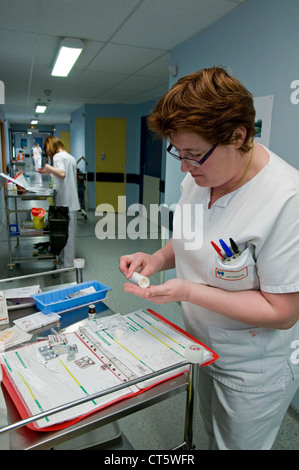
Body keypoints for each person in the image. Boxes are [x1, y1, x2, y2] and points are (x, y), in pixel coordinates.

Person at [119, 67, 299, 450]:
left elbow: (282, 312)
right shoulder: (198, 177)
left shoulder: (287, 199)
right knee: (211, 433)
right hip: (199, 346)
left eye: (195, 154)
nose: (184, 166)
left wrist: (188, 290)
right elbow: (184, 239)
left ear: (239, 136)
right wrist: (154, 258)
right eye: (178, 152)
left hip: (252, 369)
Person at [38, 136, 80, 267]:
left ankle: (67, 265)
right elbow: (64, 177)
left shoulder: (57, 157)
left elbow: (62, 174)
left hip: (65, 201)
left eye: (47, 150)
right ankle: (67, 262)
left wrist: (47, 166)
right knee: (70, 233)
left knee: (64, 233)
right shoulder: (70, 157)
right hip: (71, 200)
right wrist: (49, 172)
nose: (48, 153)